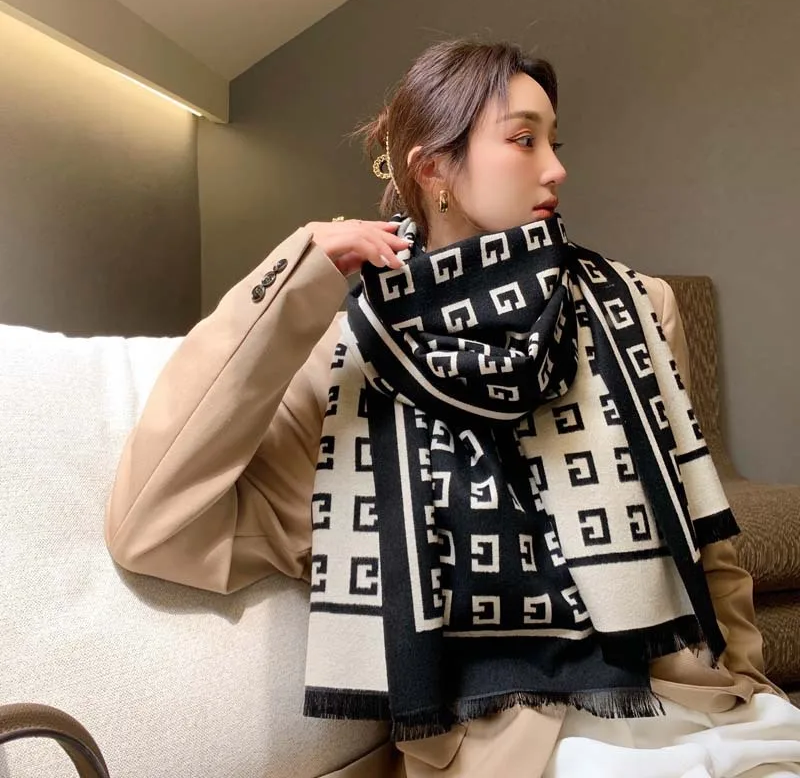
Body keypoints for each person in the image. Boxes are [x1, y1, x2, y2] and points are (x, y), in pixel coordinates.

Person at [105, 40, 800, 777]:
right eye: (524, 139)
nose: (556, 168)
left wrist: (749, 681)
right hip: (525, 754)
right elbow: (153, 528)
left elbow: (699, 533)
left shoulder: (634, 310)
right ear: (433, 167)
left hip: (700, 710)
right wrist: (295, 277)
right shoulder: (349, 364)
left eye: (555, 143)